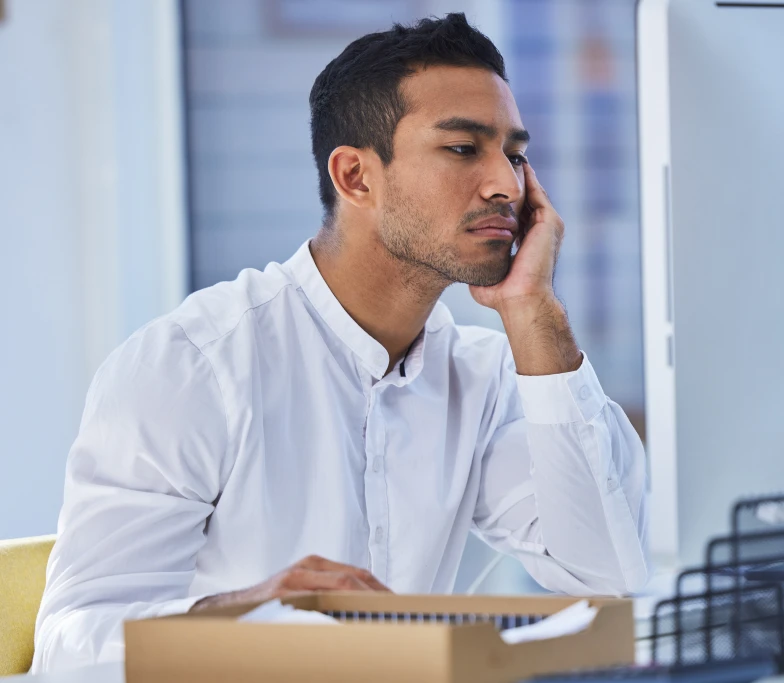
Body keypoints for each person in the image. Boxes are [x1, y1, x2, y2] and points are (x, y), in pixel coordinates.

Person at [31, 13, 648, 672]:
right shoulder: (193, 366)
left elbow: (606, 576)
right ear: (355, 176)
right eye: (465, 149)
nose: (506, 184)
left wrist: (534, 308)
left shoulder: (482, 374)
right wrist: (247, 615)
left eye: (516, 154)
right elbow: (69, 647)